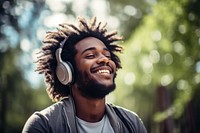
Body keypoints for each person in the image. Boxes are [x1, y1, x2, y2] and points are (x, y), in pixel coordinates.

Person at [22, 16, 147, 133]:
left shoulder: (132, 123)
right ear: (66, 71)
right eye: (90, 55)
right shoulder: (43, 125)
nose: (104, 60)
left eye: (107, 55)